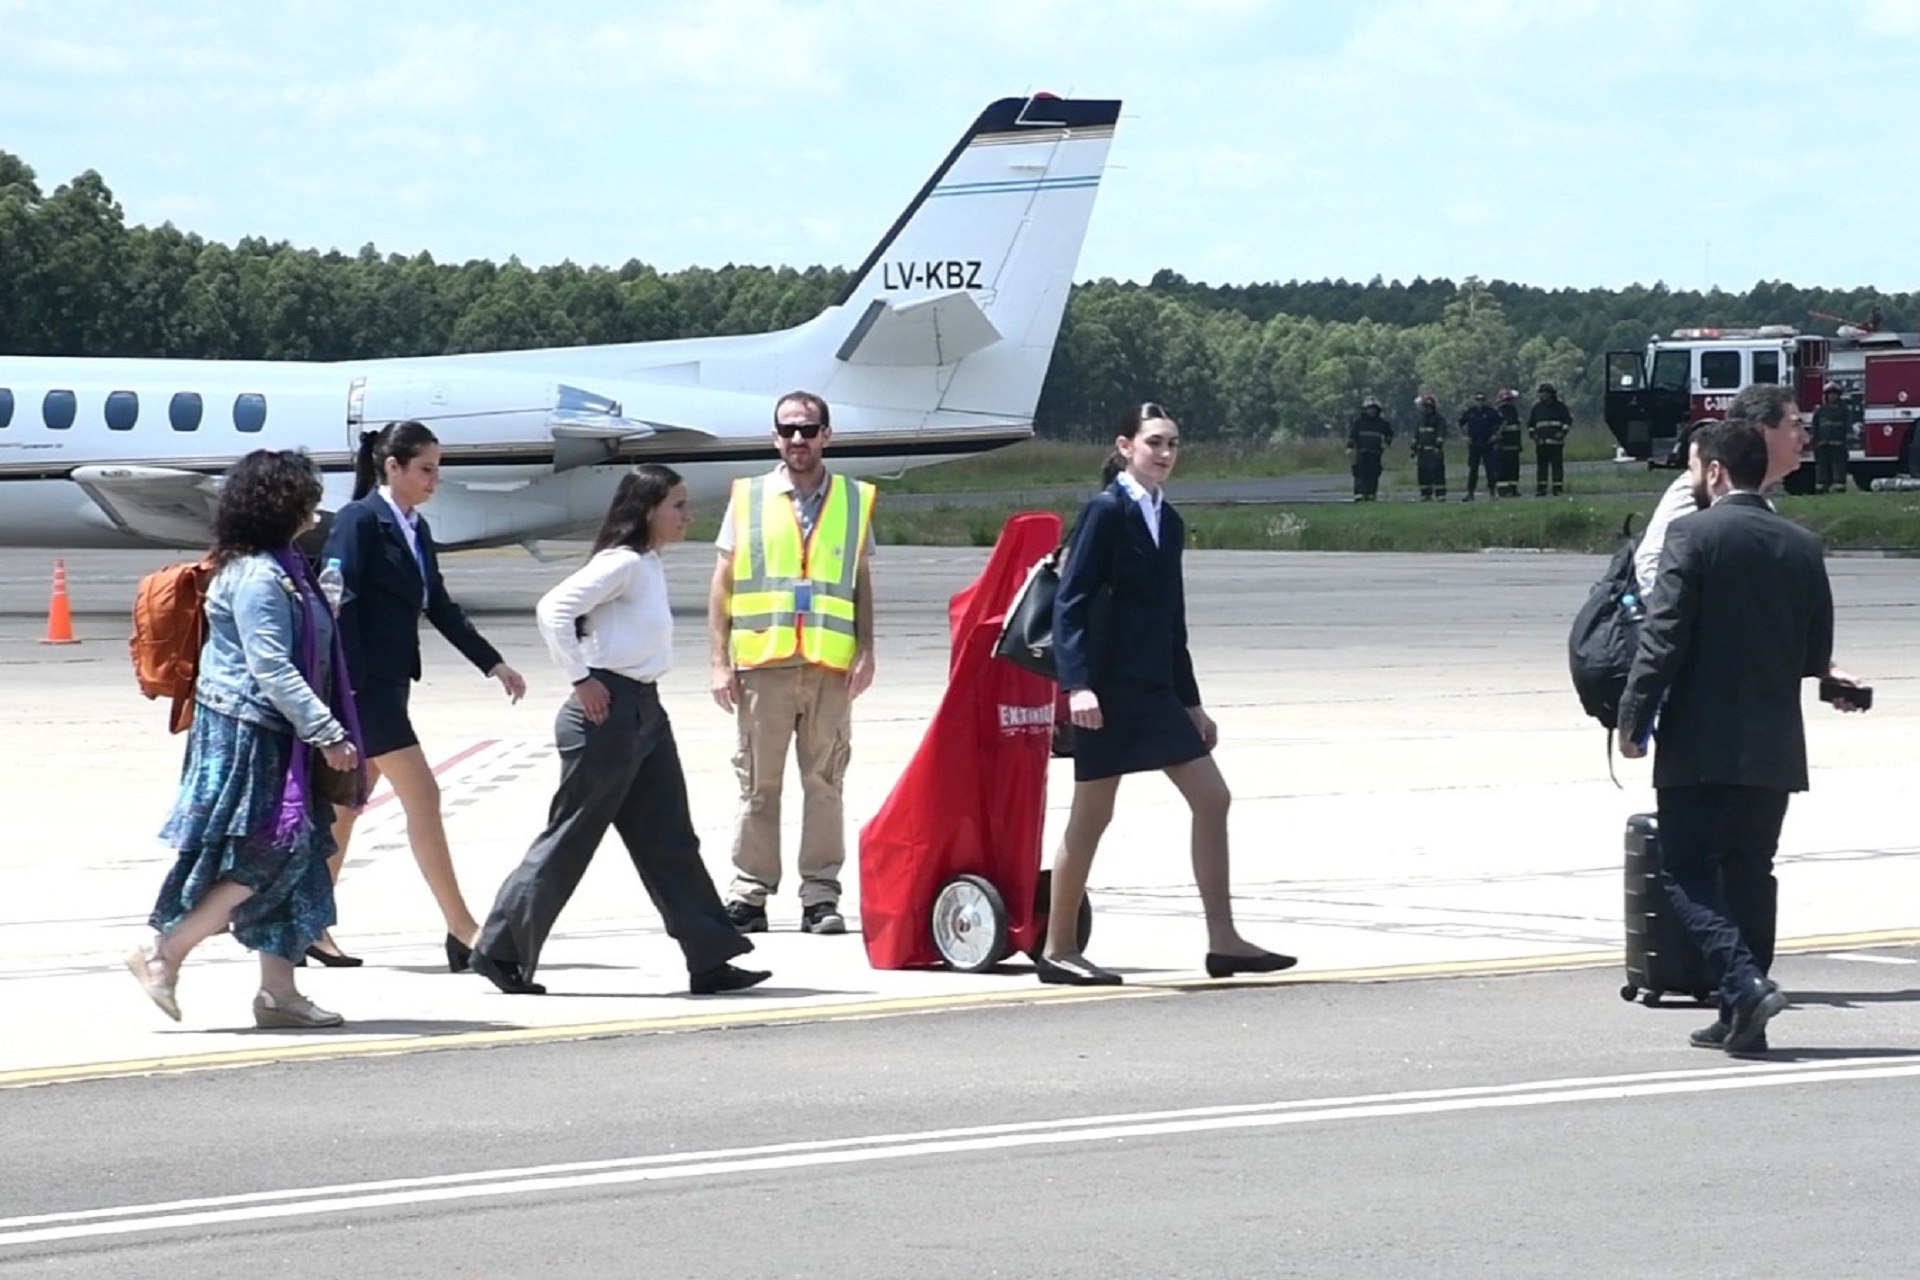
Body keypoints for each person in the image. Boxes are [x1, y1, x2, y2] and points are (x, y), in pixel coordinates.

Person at [1618, 397, 1862, 1056]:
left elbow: (1663, 641)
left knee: (1685, 867)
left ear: (1717, 472)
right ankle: (1739, 1014)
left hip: (1701, 738)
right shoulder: (1802, 545)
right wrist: (1835, 684)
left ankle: (1744, 982)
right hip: (1774, 741)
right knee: (1753, 870)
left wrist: (1634, 718)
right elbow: (1815, 651)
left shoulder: (1692, 536)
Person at [470, 466, 770, 997]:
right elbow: (553, 609)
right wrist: (580, 678)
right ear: (648, 510)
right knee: (570, 837)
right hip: (607, 713)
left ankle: (710, 957)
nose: (686, 515)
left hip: (644, 709)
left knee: (670, 837)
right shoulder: (623, 562)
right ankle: (500, 950)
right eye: (677, 505)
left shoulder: (647, 562)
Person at [1039, 402, 1295, 986]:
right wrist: (1077, 686)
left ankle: (1224, 941)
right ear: (1125, 446)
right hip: (1105, 692)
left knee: (1213, 797)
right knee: (1092, 816)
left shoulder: (1169, 521)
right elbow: (1070, 603)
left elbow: (1171, 620)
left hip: (1154, 689)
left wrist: (1191, 701)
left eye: (1172, 443)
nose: (1165, 453)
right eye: (1154, 442)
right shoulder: (1106, 511)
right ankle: (1058, 949)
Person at [125, 450, 365, 1029]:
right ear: (281, 506)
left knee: (296, 858)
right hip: (251, 736)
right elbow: (271, 667)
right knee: (268, 850)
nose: (315, 510)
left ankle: (278, 994)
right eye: (307, 499)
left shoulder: (287, 567)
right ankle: (165, 950)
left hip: (278, 732)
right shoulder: (258, 576)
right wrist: (327, 732)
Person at [318, 420, 526, 971]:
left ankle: (308, 923)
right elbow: (337, 602)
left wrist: (492, 662)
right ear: (393, 467)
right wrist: (350, 684)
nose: (435, 480)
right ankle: (462, 928)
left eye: (437, 469)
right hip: (364, 690)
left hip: (391, 685)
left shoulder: (415, 527)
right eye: (426, 469)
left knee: (345, 808)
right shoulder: (359, 520)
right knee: (424, 796)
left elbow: (439, 605)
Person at [709, 390, 877, 936]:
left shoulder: (853, 499)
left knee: (825, 783)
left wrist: (867, 649)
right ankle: (750, 893)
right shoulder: (748, 497)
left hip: (829, 665)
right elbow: (723, 583)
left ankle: (820, 896)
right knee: (759, 784)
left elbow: (860, 582)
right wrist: (719, 661)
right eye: (788, 430)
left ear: (827, 434)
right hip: (765, 663)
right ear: (775, 437)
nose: (797, 440)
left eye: (808, 429)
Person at [1528, 383, 1573, 496]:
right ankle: (1541, 488)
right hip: (1541, 443)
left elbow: (1567, 422)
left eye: (1546, 393)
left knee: (1557, 465)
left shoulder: (1560, 407)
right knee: (1542, 466)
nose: (1543, 395)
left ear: (1551, 394)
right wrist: (1533, 435)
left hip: (1556, 443)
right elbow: (1531, 424)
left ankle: (1557, 488)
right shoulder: (1537, 408)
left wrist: (1562, 433)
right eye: (1541, 393)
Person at [1346, 396, 1394, 502]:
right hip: (1361, 454)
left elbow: (1390, 434)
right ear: (1365, 410)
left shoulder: (1382, 423)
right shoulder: (1359, 423)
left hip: (1375, 454)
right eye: (1369, 409)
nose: (1372, 411)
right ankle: (1359, 496)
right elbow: (1352, 437)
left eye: (1374, 409)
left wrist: (1386, 443)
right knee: (1360, 475)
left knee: (1373, 475)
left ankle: (1371, 496)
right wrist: (1349, 448)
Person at [1458, 392, 1501, 501]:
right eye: (1478, 399)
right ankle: (1470, 493)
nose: (1480, 401)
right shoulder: (1470, 412)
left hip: (1487, 444)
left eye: (1482, 399)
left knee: (1490, 469)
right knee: (1473, 469)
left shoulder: (1491, 412)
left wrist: (1496, 435)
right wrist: (1465, 436)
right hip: (1474, 444)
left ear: (1485, 400)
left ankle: (1492, 493)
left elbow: (1502, 422)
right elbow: (1460, 423)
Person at [1810, 382, 1851, 495]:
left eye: (1834, 394)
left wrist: (1848, 440)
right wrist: (1813, 440)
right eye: (1830, 394)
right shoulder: (1820, 411)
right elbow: (1815, 426)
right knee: (1821, 467)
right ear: (1826, 396)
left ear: (1838, 396)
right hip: (1822, 445)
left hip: (1838, 445)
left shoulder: (1844, 410)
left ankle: (1839, 488)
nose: (1832, 396)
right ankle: (1821, 488)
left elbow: (1848, 426)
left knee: (1839, 467)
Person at [1411, 394, 1449, 501]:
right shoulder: (1420, 420)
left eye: (1429, 407)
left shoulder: (1439, 419)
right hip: (1422, 452)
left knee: (1437, 472)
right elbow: (1416, 435)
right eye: (1426, 407)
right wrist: (1414, 448)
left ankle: (1440, 494)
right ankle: (1425, 494)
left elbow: (1441, 433)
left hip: (1434, 450)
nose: (1427, 409)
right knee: (1423, 473)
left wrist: (1438, 446)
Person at [1494, 388, 1525, 498]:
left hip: (1513, 444)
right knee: (1503, 469)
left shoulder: (1512, 411)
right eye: (1509, 400)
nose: (1510, 402)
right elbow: (1498, 429)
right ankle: (1503, 490)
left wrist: (1519, 444)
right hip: (1503, 445)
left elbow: (1516, 428)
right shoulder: (1500, 412)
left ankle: (1513, 488)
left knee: (1514, 468)